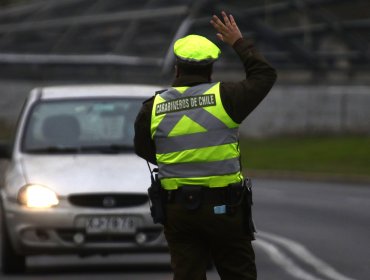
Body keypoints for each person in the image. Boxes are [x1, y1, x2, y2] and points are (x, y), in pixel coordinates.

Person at [134, 11, 277, 280]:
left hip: (178, 211)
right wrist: (238, 42)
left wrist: (179, 160)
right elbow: (264, 75)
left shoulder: (153, 108)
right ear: (210, 69)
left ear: (177, 68)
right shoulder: (227, 98)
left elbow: (143, 149)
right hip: (225, 208)